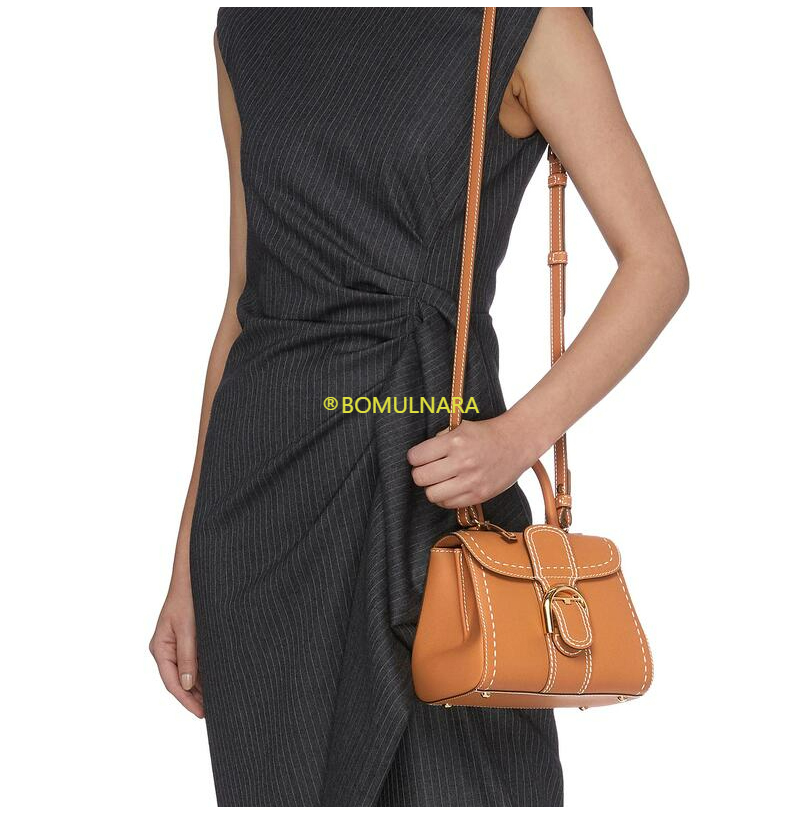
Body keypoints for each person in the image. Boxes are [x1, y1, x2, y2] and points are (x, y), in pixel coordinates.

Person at [150, 8, 688, 806]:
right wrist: (187, 563)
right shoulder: (251, 25)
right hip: (262, 510)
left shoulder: (522, 20)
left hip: (433, 488)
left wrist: (519, 436)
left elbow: (656, 265)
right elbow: (245, 301)